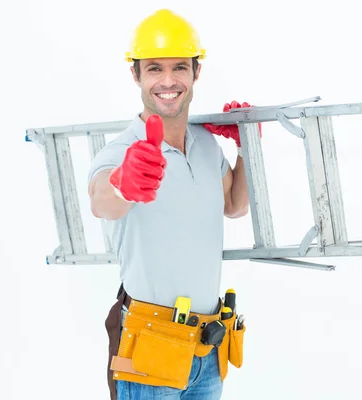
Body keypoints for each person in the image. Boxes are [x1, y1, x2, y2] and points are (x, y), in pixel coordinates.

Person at [87, 9, 255, 400]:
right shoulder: (122, 151)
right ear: (136, 76)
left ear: (196, 72)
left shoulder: (207, 144)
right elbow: (101, 202)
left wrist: (248, 146)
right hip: (149, 351)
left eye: (180, 67)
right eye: (154, 69)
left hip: (207, 348)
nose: (168, 81)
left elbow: (234, 204)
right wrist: (125, 183)